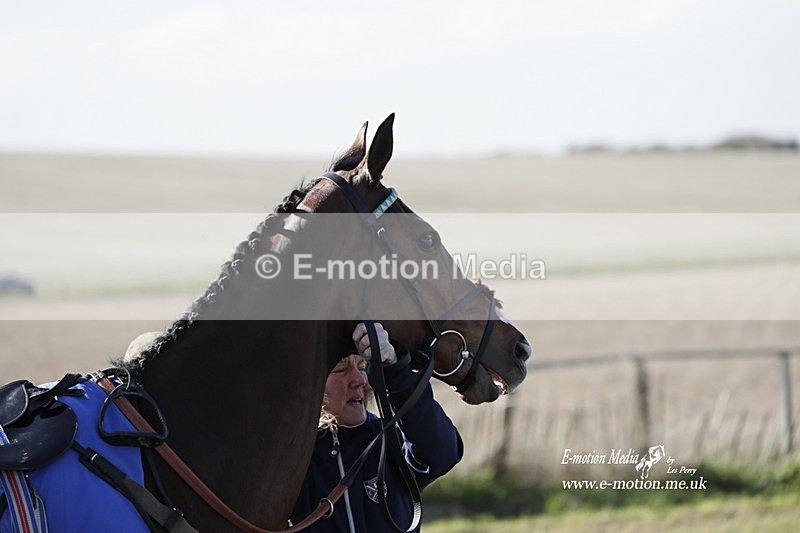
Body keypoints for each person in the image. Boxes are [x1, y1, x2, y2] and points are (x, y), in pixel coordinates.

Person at [290, 323, 463, 532]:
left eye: (362, 367)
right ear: (310, 382)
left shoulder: (388, 439)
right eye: (341, 369)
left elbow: (442, 454)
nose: (360, 379)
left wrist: (395, 372)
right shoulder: (290, 454)